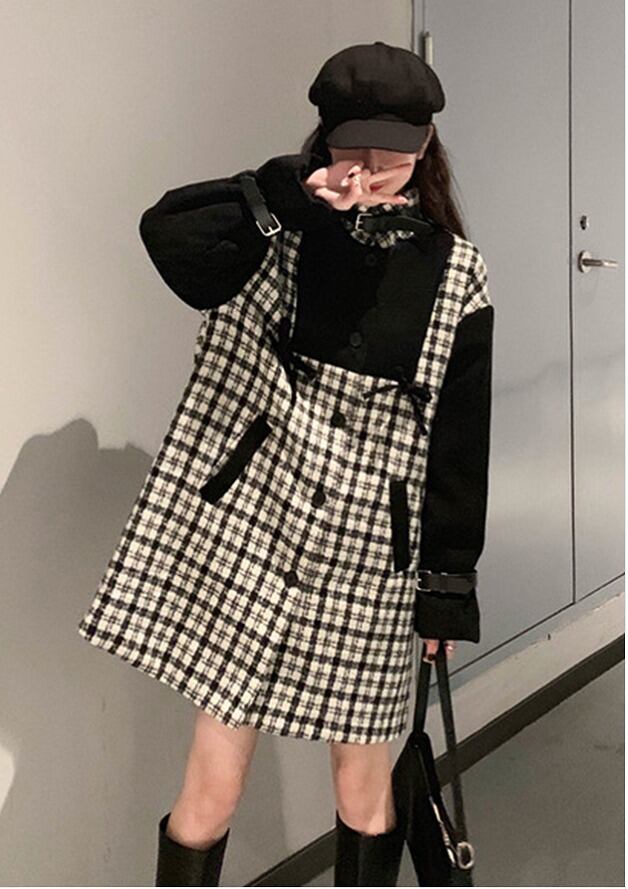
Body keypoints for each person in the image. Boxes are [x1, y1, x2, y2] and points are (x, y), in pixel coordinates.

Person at [77, 41, 493, 887]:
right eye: (352, 146)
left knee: (363, 786)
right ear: (324, 140)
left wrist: (446, 587)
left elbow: (460, 443)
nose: (370, 168)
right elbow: (168, 235)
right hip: (253, 536)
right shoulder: (275, 234)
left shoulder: (456, 276)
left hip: (369, 556)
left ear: (425, 146)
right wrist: (283, 194)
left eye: (392, 151)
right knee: (211, 780)